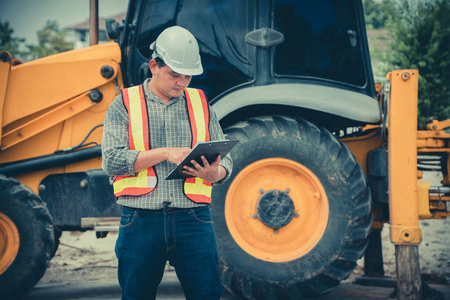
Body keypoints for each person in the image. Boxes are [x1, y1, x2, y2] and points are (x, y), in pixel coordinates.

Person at [101, 26, 233, 300]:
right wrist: (163, 154)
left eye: (187, 76)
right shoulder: (124, 104)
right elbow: (111, 161)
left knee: (207, 294)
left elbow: (225, 161)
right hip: (139, 220)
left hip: (193, 218)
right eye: (175, 74)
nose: (182, 82)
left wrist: (215, 173)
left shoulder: (201, 103)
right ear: (153, 66)